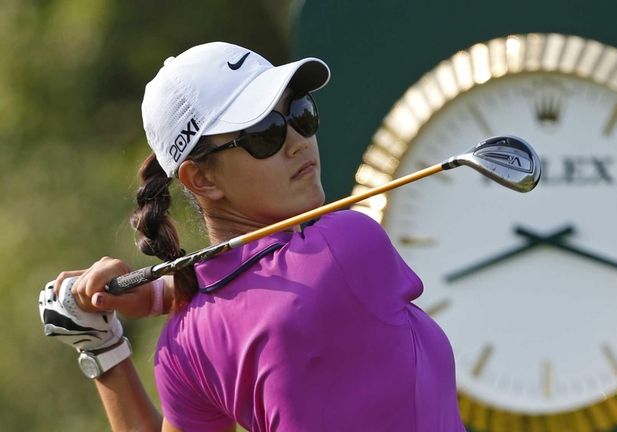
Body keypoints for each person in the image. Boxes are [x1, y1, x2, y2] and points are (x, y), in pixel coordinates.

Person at [40, 41, 465, 431]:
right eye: (265, 134)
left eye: (300, 113)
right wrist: (161, 296)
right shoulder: (350, 243)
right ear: (202, 179)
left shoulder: (185, 347)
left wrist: (102, 348)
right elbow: (278, 286)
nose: (299, 142)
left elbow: (248, 294)